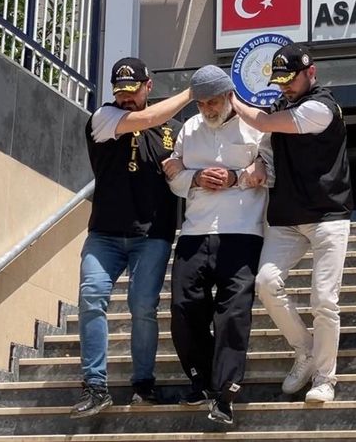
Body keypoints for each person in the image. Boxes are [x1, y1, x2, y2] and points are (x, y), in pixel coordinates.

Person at [70, 57, 193, 419]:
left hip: (152, 234)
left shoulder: (174, 131)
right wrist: (191, 92)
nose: (125, 98)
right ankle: (95, 386)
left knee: (142, 306)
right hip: (105, 234)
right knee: (91, 296)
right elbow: (147, 118)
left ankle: (143, 384)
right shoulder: (103, 117)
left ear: (148, 87)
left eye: (132, 91)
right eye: (119, 91)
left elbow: (187, 172)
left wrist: (179, 169)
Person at [230, 43, 352, 403]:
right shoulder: (280, 106)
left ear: (310, 73)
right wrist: (258, 164)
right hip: (286, 218)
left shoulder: (321, 107)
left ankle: (325, 378)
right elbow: (267, 146)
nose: (284, 86)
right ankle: (305, 350)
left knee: (324, 301)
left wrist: (232, 100)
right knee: (266, 283)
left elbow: (264, 124)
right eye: (279, 81)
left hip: (328, 216)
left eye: (290, 79)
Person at [162, 65, 270, 425]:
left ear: (229, 96)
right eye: (201, 103)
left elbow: (267, 173)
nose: (207, 109)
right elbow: (174, 177)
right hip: (194, 232)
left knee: (233, 314)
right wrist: (195, 178)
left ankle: (225, 393)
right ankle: (203, 379)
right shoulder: (189, 129)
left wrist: (235, 177)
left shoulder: (256, 125)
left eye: (213, 102)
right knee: (183, 308)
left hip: (243, 231)